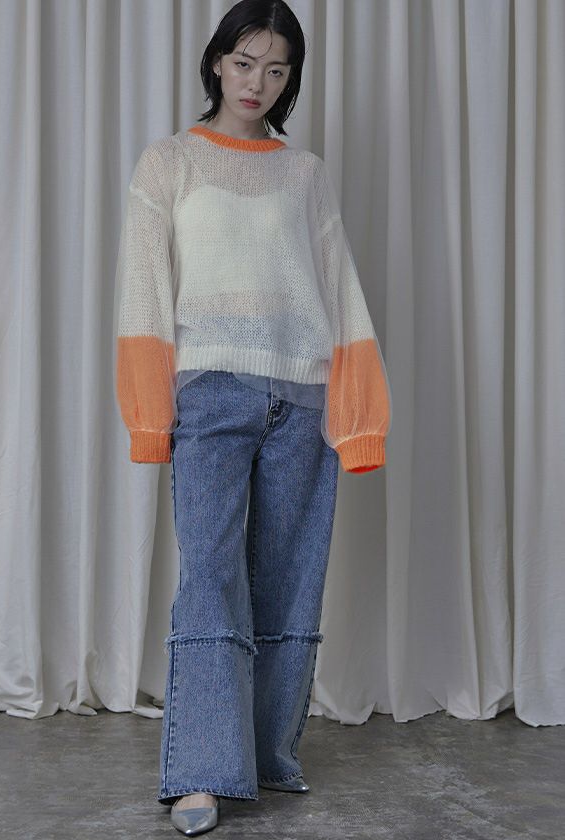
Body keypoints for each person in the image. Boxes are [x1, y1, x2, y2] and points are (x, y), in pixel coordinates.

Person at [114, 0, 392, 834]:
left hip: (302, 397)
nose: (257, 83)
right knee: (209, 578)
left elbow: (338, 289)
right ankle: (201, 772)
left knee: (289, 581)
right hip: (209, 392)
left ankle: (268, 755)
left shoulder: (304, 174)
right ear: (215, 62)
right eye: (244, 63)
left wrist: (359, 418)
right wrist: (149, 415)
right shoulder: (169, 162)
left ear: (289, 78)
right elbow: (144, 295)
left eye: (276, 69)